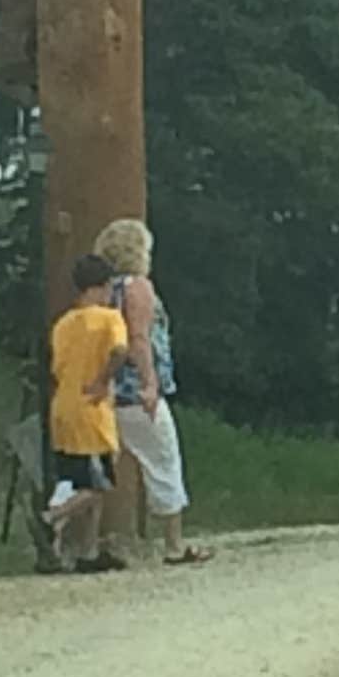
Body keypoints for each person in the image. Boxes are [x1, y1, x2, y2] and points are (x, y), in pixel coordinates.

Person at [95, 215, 212, 566]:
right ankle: (174, 544)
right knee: (163, 460)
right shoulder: (138, 287)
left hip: (106, 389)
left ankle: (80, 541)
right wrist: (150, 383)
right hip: (135, 389)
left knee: (99, 466)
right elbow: (140, 338)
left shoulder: (102, 291)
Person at [42, 253, 127, 574]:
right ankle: (51, 519)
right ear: (103, 287)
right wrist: (103, 380)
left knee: (73, 478)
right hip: (91, 409)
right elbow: (120, 351)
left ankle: (85, 550)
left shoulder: (63, 323)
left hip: (62, 405)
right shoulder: (109, 319)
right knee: (99, 482)